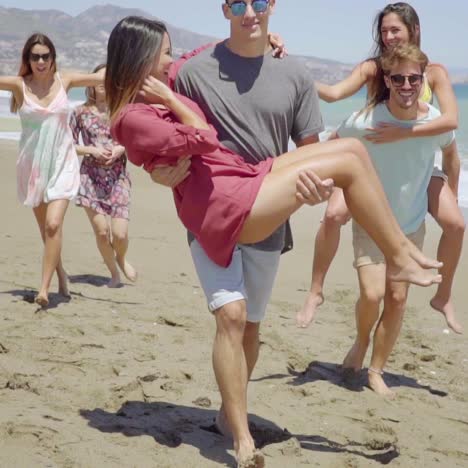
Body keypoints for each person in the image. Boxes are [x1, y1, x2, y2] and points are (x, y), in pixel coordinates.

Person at [106, 15, 441, 467]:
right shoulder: (149, 102)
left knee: (354, 152)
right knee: (232, 315)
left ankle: (397, 254)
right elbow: (200, 137)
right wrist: (169, 109)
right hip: (225, 203)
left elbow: (203, 66)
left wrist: (262, 41)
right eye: (163, 52)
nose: (171, 58)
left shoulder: (202, 69)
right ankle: (243, 441)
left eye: (260, 2)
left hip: (249, 178)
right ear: (142, 59)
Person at [298, 2, 465, 333]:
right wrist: (295, 74)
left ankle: (443, 296)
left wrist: (450, 188)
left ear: (414, 31)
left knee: (457, 224)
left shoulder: (434, 72)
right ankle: (316, 290)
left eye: (395, 30)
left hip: (417, 163)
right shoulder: (373, 68)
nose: (388, 37)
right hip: (372, 159)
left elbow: (450, 123)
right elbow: (333, 95)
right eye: (384, 31)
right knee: (332, 216)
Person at [331, 44, 459, 397]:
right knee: (372, 296)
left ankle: (376, 370)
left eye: (413, 79)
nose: (406, 85)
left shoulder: (434, 119)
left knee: (397, 300)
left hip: (411, 226)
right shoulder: (366, 120)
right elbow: (331, 146)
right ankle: (360, 341)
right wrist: (333, 187)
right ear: (386, 80)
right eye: (398, 78)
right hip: (371, 224)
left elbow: (451, 155)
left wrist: (454, 195)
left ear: (423, 80)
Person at [0, 33, 105, 308]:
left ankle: (44, 289)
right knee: (46, 231)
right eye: (35, 56)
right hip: (32, 166)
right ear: (28, 59)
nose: (41, 61)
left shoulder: (65, 80)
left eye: (45, 55)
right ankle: (61, 275)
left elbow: (102, 78)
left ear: (53, 57)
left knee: (53, 224)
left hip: (62, 162)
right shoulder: (19, 85)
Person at [70, 64, 136, 288]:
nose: (101, 82)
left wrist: (120, 148)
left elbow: (135, 139)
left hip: (117, 177)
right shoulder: (79, 112)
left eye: (106, 78)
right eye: (97, 78)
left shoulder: (122, 109)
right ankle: (114, 275)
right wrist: (91, 150)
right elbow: (66, 144)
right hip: (90, 178)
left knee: (119, 234)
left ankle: (122, 257)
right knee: (101, 232)